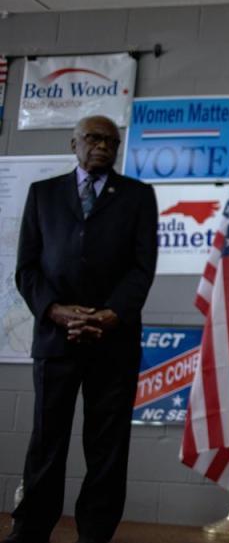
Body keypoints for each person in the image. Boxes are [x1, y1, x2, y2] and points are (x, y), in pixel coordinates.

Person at [7, 115, 158, 543]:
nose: (103, 147)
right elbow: (27, 269)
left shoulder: (138, 197)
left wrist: (109, 315)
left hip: (114, 341)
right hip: (56, 339)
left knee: (107, 448)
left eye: (111, 141)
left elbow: (142, 269)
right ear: (74, 142)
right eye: (93, 138)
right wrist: (55, 311)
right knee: (46, 443)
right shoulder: (44, 195)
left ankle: (95, 534)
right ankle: (30, 529)